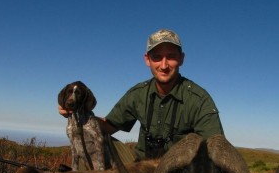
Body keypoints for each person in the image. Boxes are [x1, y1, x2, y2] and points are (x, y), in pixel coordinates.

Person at [59, 29, 224, 160]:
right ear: (147, 60)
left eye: (171, 57)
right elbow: (108, 126)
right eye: (157, 57)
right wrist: (79, 113)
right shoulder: (138, 94)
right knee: (95, 141)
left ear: (181, 59)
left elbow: (216, 149)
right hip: (140, 167)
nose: (164, 65)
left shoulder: (198, 99)